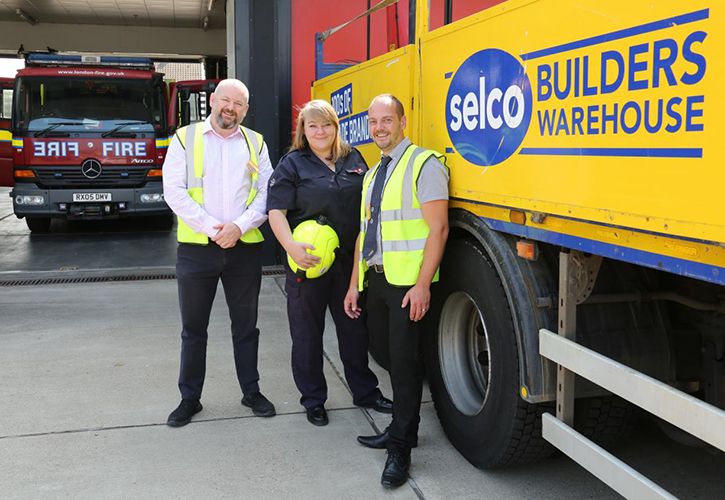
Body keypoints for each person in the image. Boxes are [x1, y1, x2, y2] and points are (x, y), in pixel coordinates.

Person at [344, 94, 449, 488]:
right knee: (387, 358)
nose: (379, 128)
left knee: (405, 367)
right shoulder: (372, 174)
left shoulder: (425, 164)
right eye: (373, 122)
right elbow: (364, 231)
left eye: (387, 120)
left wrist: (423, 284)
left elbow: (438, 228)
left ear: (403, 121)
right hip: (378, 280)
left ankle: (400, 448)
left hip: (408, 284)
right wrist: (355, 282)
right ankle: (405, 427)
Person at [267, 99, 392, 427]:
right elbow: (276, 211)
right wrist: (291, 247)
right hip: (307, 264)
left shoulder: (354, 158)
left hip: (349, 264)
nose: (320, 131)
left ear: (336, 127)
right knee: (307, 334)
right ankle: (313, 399)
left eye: (326, 125)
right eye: (313, 126)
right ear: (303, 130)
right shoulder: (292, 164)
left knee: (355, 329)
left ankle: (365, 391)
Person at [162, 78, 276, 427]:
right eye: (226, 100)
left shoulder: (256, 143)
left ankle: (251, 391)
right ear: (213, 100)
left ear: (246, 109)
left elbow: (267, 193)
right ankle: (189, 398)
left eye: (238, 103)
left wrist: (238, 227)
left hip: (244, 249)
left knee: (246, 326)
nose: (231, 108)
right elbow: (174, 192)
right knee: (193, 328)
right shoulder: (185, 137)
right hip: (198, 250)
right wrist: (216, 229)